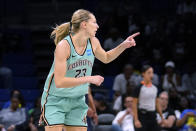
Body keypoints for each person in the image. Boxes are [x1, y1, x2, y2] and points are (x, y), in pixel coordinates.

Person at [39, 9, 140, 131]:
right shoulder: (64, 46)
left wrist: (123, 45)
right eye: (94, 22)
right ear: (84, 24)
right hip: (55, 98)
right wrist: (89, 78)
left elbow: (106, 57)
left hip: (77, 99)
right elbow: (59, 82)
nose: (97, 26)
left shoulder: (93, 42)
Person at [132, 65, 163, 131]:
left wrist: (162, 117)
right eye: (149, 73)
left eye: (152, 73)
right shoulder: (138, 88)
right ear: (143, 74)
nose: (151, 75)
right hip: (142, 116)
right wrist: (136, 120)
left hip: (152, 116)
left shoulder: (155, 88)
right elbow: (134, 105)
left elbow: (157, 104)